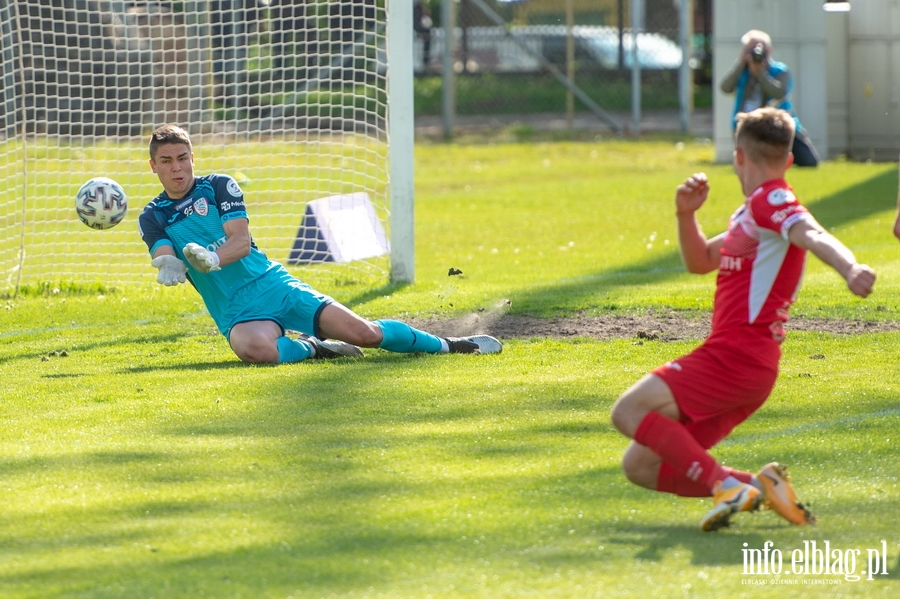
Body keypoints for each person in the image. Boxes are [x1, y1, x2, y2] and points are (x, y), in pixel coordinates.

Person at [610, 107, 876, 532]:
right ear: (789, 159)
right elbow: (700, 261)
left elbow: (813, 234)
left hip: (736, 356)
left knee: (627, 412)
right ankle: (760, 486)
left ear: (737, 157)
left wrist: (850, 268)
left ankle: (725, 487)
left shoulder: (774, 199)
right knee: (640, 464)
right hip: (746, 366)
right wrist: (685, 215)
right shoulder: (750, 213)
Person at [139, 124, 502, 364]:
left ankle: (452, 345)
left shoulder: (218, 186)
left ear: (192, 158)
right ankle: (314, 347)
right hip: (236, 311)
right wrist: (170, 264)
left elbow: (242, 242)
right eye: (167, 161)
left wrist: (212, 259)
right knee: (254, 350)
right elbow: (164, 254)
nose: (177, 168)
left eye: (183, 158)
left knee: (366, 334)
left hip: (274, 286)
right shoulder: (152, 216)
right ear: (153, 166)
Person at [720, 30, 820, 167]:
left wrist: (761, 74)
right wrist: (740, 64)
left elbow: (779, 93)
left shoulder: (779, 71)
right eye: (750, 50)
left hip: (777, 124)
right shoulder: (742, 71)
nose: (755, 53)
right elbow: (725, 88)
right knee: (751, 163)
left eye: (758, 49)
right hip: (746, 123)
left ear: (768, 50)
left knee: (808, 161)